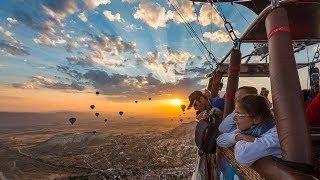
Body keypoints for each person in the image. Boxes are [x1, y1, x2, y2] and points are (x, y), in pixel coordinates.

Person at [216, 95, 281, 166]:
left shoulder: (275, 134)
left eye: (239, 115)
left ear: (256, 119)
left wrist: (241, 140)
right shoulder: (250, 129)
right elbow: (220, 140)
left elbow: (242, 156)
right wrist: (240, 137)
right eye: (235, 114)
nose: (234, 119)